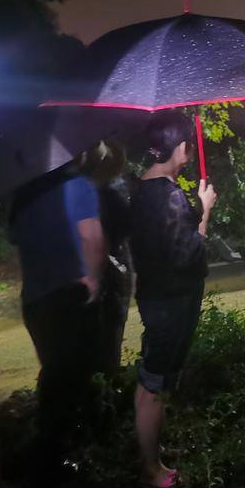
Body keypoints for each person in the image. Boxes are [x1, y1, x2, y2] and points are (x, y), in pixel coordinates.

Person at [129, 112, 216, 488]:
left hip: (156, 296)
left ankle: (154, 456)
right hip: (171, 302)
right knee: (153, 385)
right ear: (179, 148)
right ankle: (152, 470)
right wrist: (205, 210)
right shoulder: (169, 196)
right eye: (187, 147)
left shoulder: (143, 189)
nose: (189, 153)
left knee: (153, 380)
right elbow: (190, 253)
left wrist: (192, 208)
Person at [9, 160, 106, 475]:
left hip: (36, 301)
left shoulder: (22, 194)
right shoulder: (79, 185)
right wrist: (94, 279)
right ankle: (64, 454)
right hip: (71, 293)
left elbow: (18, 244)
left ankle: (52, 450)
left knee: (53, 372)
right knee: (75, 376)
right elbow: (91, 236)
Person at [78, 141, 133, 377]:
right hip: (111, 277)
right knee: (109, 345)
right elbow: (127, 226)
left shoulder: (75, 194)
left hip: (83, 279)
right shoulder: (110, 194)